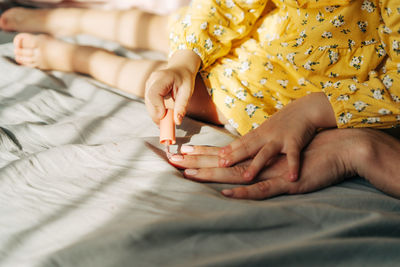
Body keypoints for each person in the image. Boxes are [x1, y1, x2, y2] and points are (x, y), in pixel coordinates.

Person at [2, 0, 400, 199]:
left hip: (251, 100)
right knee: (163, 35)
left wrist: (319, 108)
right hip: (231, 39)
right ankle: (65, 19)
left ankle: (79, 58)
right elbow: (228, 6)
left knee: (135, 76)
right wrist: (183, 59)